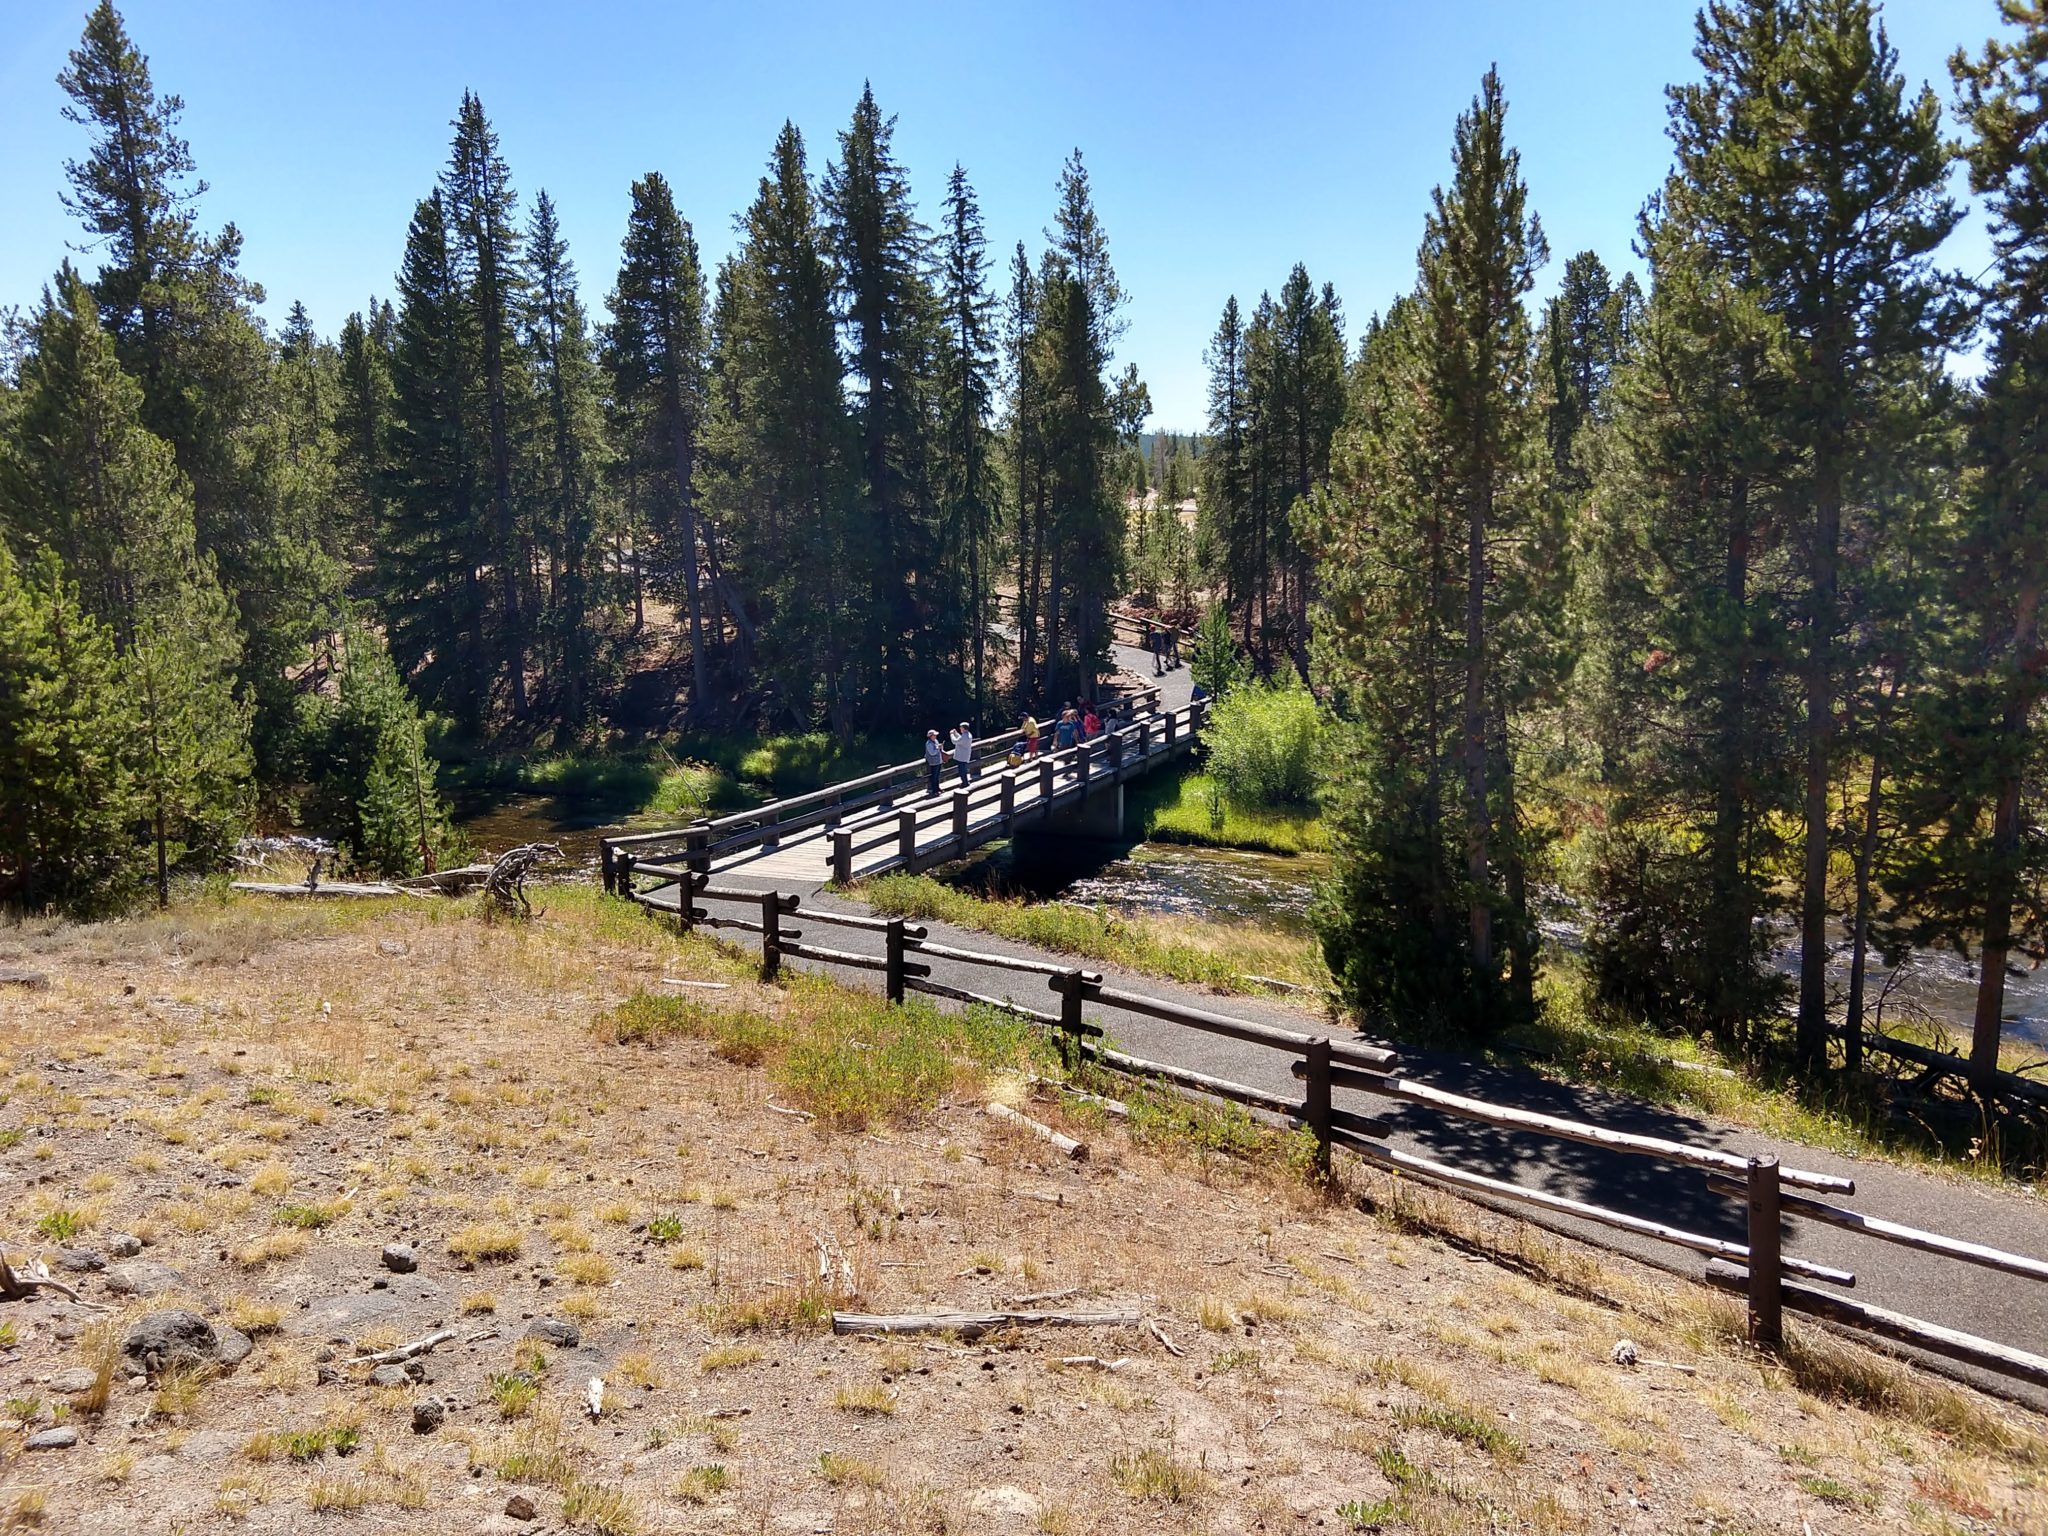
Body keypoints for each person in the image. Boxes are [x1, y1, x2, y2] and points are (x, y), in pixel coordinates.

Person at [950, 721, 974, 785]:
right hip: (964, 756)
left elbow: (955, 741)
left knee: (962, 771)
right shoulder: (968, 734)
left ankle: (965, 783)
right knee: (964, 770)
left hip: (962, 757)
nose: (960, 728)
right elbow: (960, 739)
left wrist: (952, 734)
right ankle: (965, 782)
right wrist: (956, 733)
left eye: (961, 727)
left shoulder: (965, 736)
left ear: (963, 728)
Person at [923, 728, 944, 795]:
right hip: (933, 762)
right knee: (934, 777)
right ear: (930, 736)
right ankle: (934, 790)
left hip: (938, 761)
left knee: (937, 776)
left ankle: (937, 788)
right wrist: (938, 748)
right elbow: (932, 753)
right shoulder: (928, 743)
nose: (935, 736)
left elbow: (938, 749)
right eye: (934, 735)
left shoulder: (936, 741)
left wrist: (940, 747)